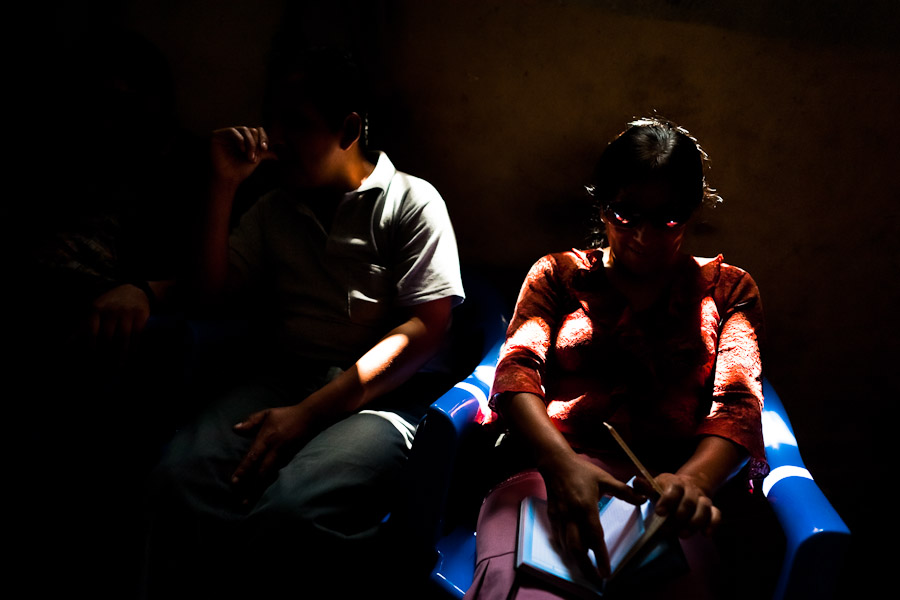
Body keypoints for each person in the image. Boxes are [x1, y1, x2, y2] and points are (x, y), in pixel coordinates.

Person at [143, 47, 464, 599]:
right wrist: (223, 185)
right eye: (273, 120)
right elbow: (208, 295)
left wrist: (308, 415)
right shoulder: (275, 208)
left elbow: (425, 329)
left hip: (381, 402)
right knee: (177, 481)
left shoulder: (411, 203)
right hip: (285, 377)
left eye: (297, 123)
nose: (276, 138)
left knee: (292, 513)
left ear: (350, 128)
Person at [464, 118, 768, 599]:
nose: (643, 237)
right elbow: (518, 371)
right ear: (602, 206)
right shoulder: (558, 275)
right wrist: (561, 465)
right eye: (625, 214)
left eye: (667, 218)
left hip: (663, 492)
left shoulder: (729, 291)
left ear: (691, 212)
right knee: (532, 587)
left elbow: (737, 406)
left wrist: (691, 483)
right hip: (546, 472)